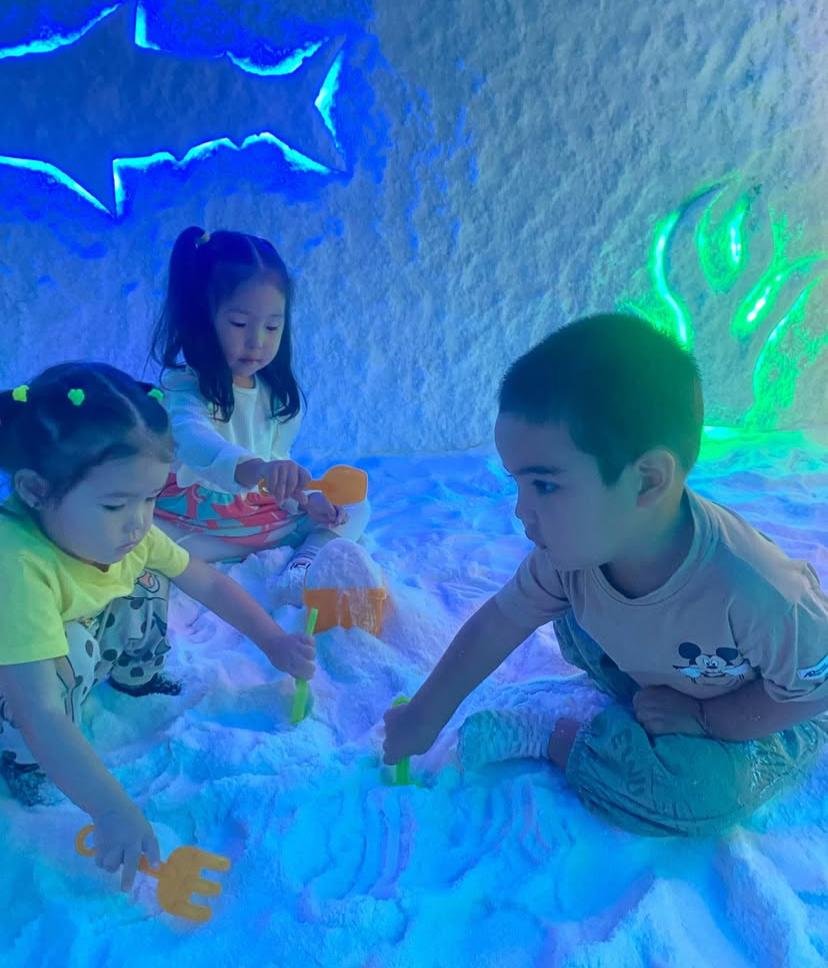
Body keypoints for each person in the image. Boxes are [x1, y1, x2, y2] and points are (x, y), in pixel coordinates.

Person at [383, 314, 828, 836]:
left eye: (544, 486)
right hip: (652, 671)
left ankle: (559, 741)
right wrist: (424, 715)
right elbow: (498, 623)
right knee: (561, 594)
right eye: (518, 484)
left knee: (698, 796)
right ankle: (637, 719)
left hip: (770, 708)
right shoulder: (574, 553)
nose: (521, 510)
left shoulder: (759, 590)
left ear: (648, 480)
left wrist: (705, 718)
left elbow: (813, 692)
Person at [0, 362, 315, 888]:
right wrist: (111, 808)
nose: (139, 520)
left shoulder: (126, 535)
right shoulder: (15, 564)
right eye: (114, 504)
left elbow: (207, 582)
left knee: (147, 577)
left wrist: (273, 640)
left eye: (150, 498)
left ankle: (136, 676)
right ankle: (28, 765)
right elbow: (39, 710)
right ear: (35, 490)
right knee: (67, 651)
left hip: (73, 648)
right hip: (20, 688)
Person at [149, 227, 372, 605]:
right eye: (239, 324)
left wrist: (305, 499)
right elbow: (193, 439)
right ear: (203, 320)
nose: (257, 341)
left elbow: (277, 461)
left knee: (355, 507)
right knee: (142, 531)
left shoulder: (273, 394)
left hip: (256, 515)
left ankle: (303, 563)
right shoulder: (184, 387)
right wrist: (258, 469)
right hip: (195, 518)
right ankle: (205, 553)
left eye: (272, 326)